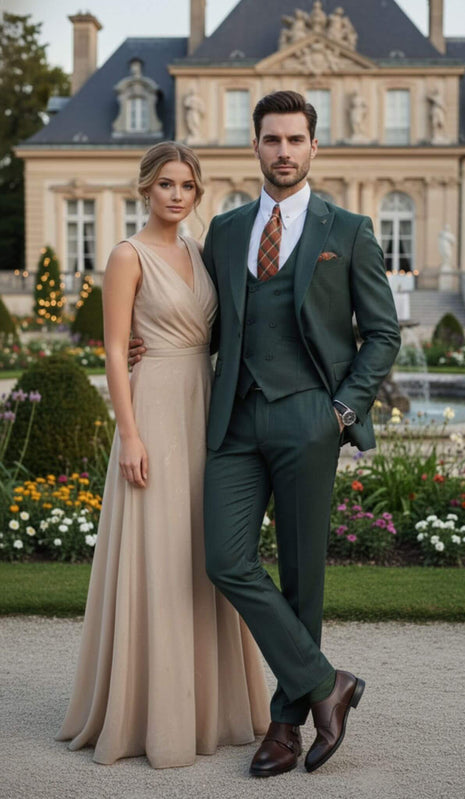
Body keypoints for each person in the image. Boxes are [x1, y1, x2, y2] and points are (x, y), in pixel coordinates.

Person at [130, 91, 401, 777]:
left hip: (310, 417)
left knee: (303, 577)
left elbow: (382, 333)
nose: (283, 151)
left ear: (314, 148)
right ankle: (325, 682)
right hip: (235, 418)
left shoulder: (350, 230)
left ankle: (284, 727)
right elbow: (205, 322)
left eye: (295, 139)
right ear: (255, 146)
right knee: (224, 558)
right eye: (271, 139)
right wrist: (149, 345)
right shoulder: (224, 229)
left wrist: (340, 411)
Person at [56, 141, 269, 769]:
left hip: (204, 406)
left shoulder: (199, 254)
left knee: (203, 551)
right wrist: (130, 434)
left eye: (187, 186)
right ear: (145, 188)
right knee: (158, 548)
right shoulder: (128, 256)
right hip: (152, 411)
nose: (177, 195)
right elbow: (115, 349)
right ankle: (150, 710)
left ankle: (211, 706)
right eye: (166, 184)